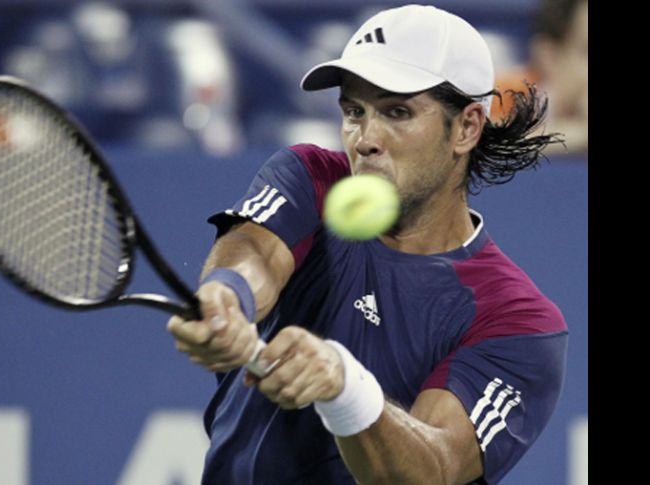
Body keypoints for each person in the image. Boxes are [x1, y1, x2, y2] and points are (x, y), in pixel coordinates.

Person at [167, 5, 568, 484]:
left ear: (467, 128)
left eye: (397, 111)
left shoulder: (519, 322)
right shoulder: (311, 176)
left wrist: (344, 387)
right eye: (354, 111)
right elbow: (256, 252)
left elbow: (434, 468)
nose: (364, 139)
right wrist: (228, 296)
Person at [493, 0, 588, 155]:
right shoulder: (506, 92)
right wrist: (581, 132)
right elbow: (474, 139)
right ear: (550, 57)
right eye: (587, 51)